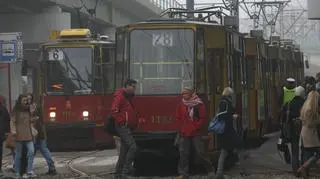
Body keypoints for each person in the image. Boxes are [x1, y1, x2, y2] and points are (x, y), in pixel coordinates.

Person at [174, 87, 215, 179]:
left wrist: (195, 126)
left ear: (191, 94)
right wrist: (181, 128)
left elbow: (202, 118)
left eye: (186, 94)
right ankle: (183, 173)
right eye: (183, 94)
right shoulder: (181, 104)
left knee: (200, 152)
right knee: (183, 153)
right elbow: (178, 116)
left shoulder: (198, 104)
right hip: (184, 132)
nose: (184, 96)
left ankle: (210, 170)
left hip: (196, 133)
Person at [215, 87, 248, 179]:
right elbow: (222, 116)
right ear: (229, 95)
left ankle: (219, 173)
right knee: (240, 146)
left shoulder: (224, 102)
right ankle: (243, 171)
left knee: (224, 151)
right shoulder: (225, 103)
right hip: (228, 131)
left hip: (225, 131)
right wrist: (232, 116)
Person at [111, 79, 138, 179]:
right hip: (122, 126)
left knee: (124, 150)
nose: (135, 89)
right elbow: (114, 110)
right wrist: (121, 121)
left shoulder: (127, 96)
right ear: (127, 86)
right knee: (133, 147)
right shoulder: (120, 96)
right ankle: (125, 172)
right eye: (133, 87)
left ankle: (118, 174)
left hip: (125, 126)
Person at [26, 93, 57, 175]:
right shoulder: (37, 107)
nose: (28, 101)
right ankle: (51, 167)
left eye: (30, 99)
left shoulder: (27, 108)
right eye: (27, 99)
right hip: (36, 133)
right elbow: (42, 120)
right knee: (41, 151)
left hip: (34, 133)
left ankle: (30, 170)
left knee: (33, 152)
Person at [10, 94, 37, 178]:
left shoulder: (29, 110)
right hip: (19, 136)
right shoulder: (16, 111)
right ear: (20, 101)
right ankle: (17, 172)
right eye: (24, 100)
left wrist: (34, 117)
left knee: (31, 152)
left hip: (28, 135)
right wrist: (13, 131)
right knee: (18, 155)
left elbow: (30, 121)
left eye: (27, 100)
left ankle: (29, 170)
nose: (26, 102)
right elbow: (12, 122)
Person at [281, 86, 305, 177]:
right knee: (304, 151)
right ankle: (304, 169)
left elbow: (283, 119)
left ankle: (296, 171)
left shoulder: (288, 104)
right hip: (303, 131)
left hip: (292, 131)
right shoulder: (305, 104)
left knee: (294, 152)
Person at [299, 91, 320, 178]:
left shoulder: (305, 107)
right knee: (317, 154)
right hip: (310, 135)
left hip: (305, 133)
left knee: (306, 155)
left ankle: (305, 174)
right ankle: (304, 167)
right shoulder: (311, 109)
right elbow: (311, 123)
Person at [0, 96, 10, 173]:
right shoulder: (3, 109)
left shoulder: (3, 109)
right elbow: (7, 120)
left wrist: (7, 131)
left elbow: (7, 120)